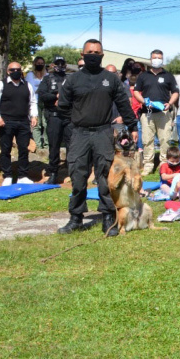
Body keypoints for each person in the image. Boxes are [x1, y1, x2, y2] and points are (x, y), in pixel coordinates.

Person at [57, 39, 139, 236]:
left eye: (97, 52)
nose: (93, 55)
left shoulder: (110, 79)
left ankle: (108, 217)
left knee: (104, 177)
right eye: (89, 52)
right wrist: (72, 125)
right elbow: (63, 107)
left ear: (102, 55)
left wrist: (132, 126)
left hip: (103, 132)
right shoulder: (74, 79)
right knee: (78, 175)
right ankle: (76, 217)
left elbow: (123, 103)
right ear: (83, 55)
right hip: (79, 133)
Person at [0, 62, 38, 185]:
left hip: (23, 122)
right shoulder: (0, 85)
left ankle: (23, 176)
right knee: (6, 149)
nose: (15, 71)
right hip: (6, 122)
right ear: (8, 71)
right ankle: (8, 176)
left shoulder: (27, 85)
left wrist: (34, 116)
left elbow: (33, 102)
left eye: (18, 69)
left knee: (23, 149)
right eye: (13, 69)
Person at [133, 49, 179, 175]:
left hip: (164, 114)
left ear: (162, 59)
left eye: (159, 57)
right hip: (147, 113)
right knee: (147, 139)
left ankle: (164, 163)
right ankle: (148, 164)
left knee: (165, 139)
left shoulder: (168, 75)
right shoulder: (143, 76)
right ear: (150, 59)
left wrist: (169, 103)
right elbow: (136, 91)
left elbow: (175, 92)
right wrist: (143, 101)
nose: (157, 59)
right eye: (154, 57)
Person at [37, 56, 72, 184]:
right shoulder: (47, 79)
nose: (61, 66)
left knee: (72, 145)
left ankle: (73, 173)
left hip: (69, 117)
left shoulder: (70, 79)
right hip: (54, 115)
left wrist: (64, 98)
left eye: (63, 63)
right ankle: (53, 173)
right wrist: (54, 97)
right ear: (53, 65)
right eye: (58, 63)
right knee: (54, 145)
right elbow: (41, 94)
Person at [27, 56, 48, 150]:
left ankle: (47, 145)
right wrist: (40, 89)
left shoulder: (47, 75)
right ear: (34, 64)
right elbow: (30, 88)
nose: (40, 65)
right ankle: (38, 145)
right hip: (34, 102)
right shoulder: (30, 75)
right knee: (36, 124)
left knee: (46, 123)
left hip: (45, 102)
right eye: (38, 63)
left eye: (41, 63)